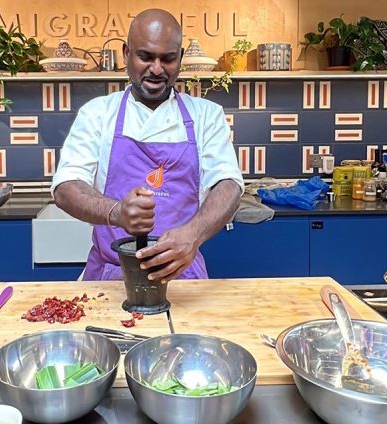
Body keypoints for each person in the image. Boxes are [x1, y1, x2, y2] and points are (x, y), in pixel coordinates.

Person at [51, 8, 244, 283]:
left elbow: (229, 185)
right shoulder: (97, 114)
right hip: (110, 278)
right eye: (145, 56)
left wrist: (192, 235)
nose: (156, 69)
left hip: (182, 276)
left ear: (180, 58)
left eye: (168, 59)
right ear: (126, 53)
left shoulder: (206, 115)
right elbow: (66, 187)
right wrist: (115, 212)